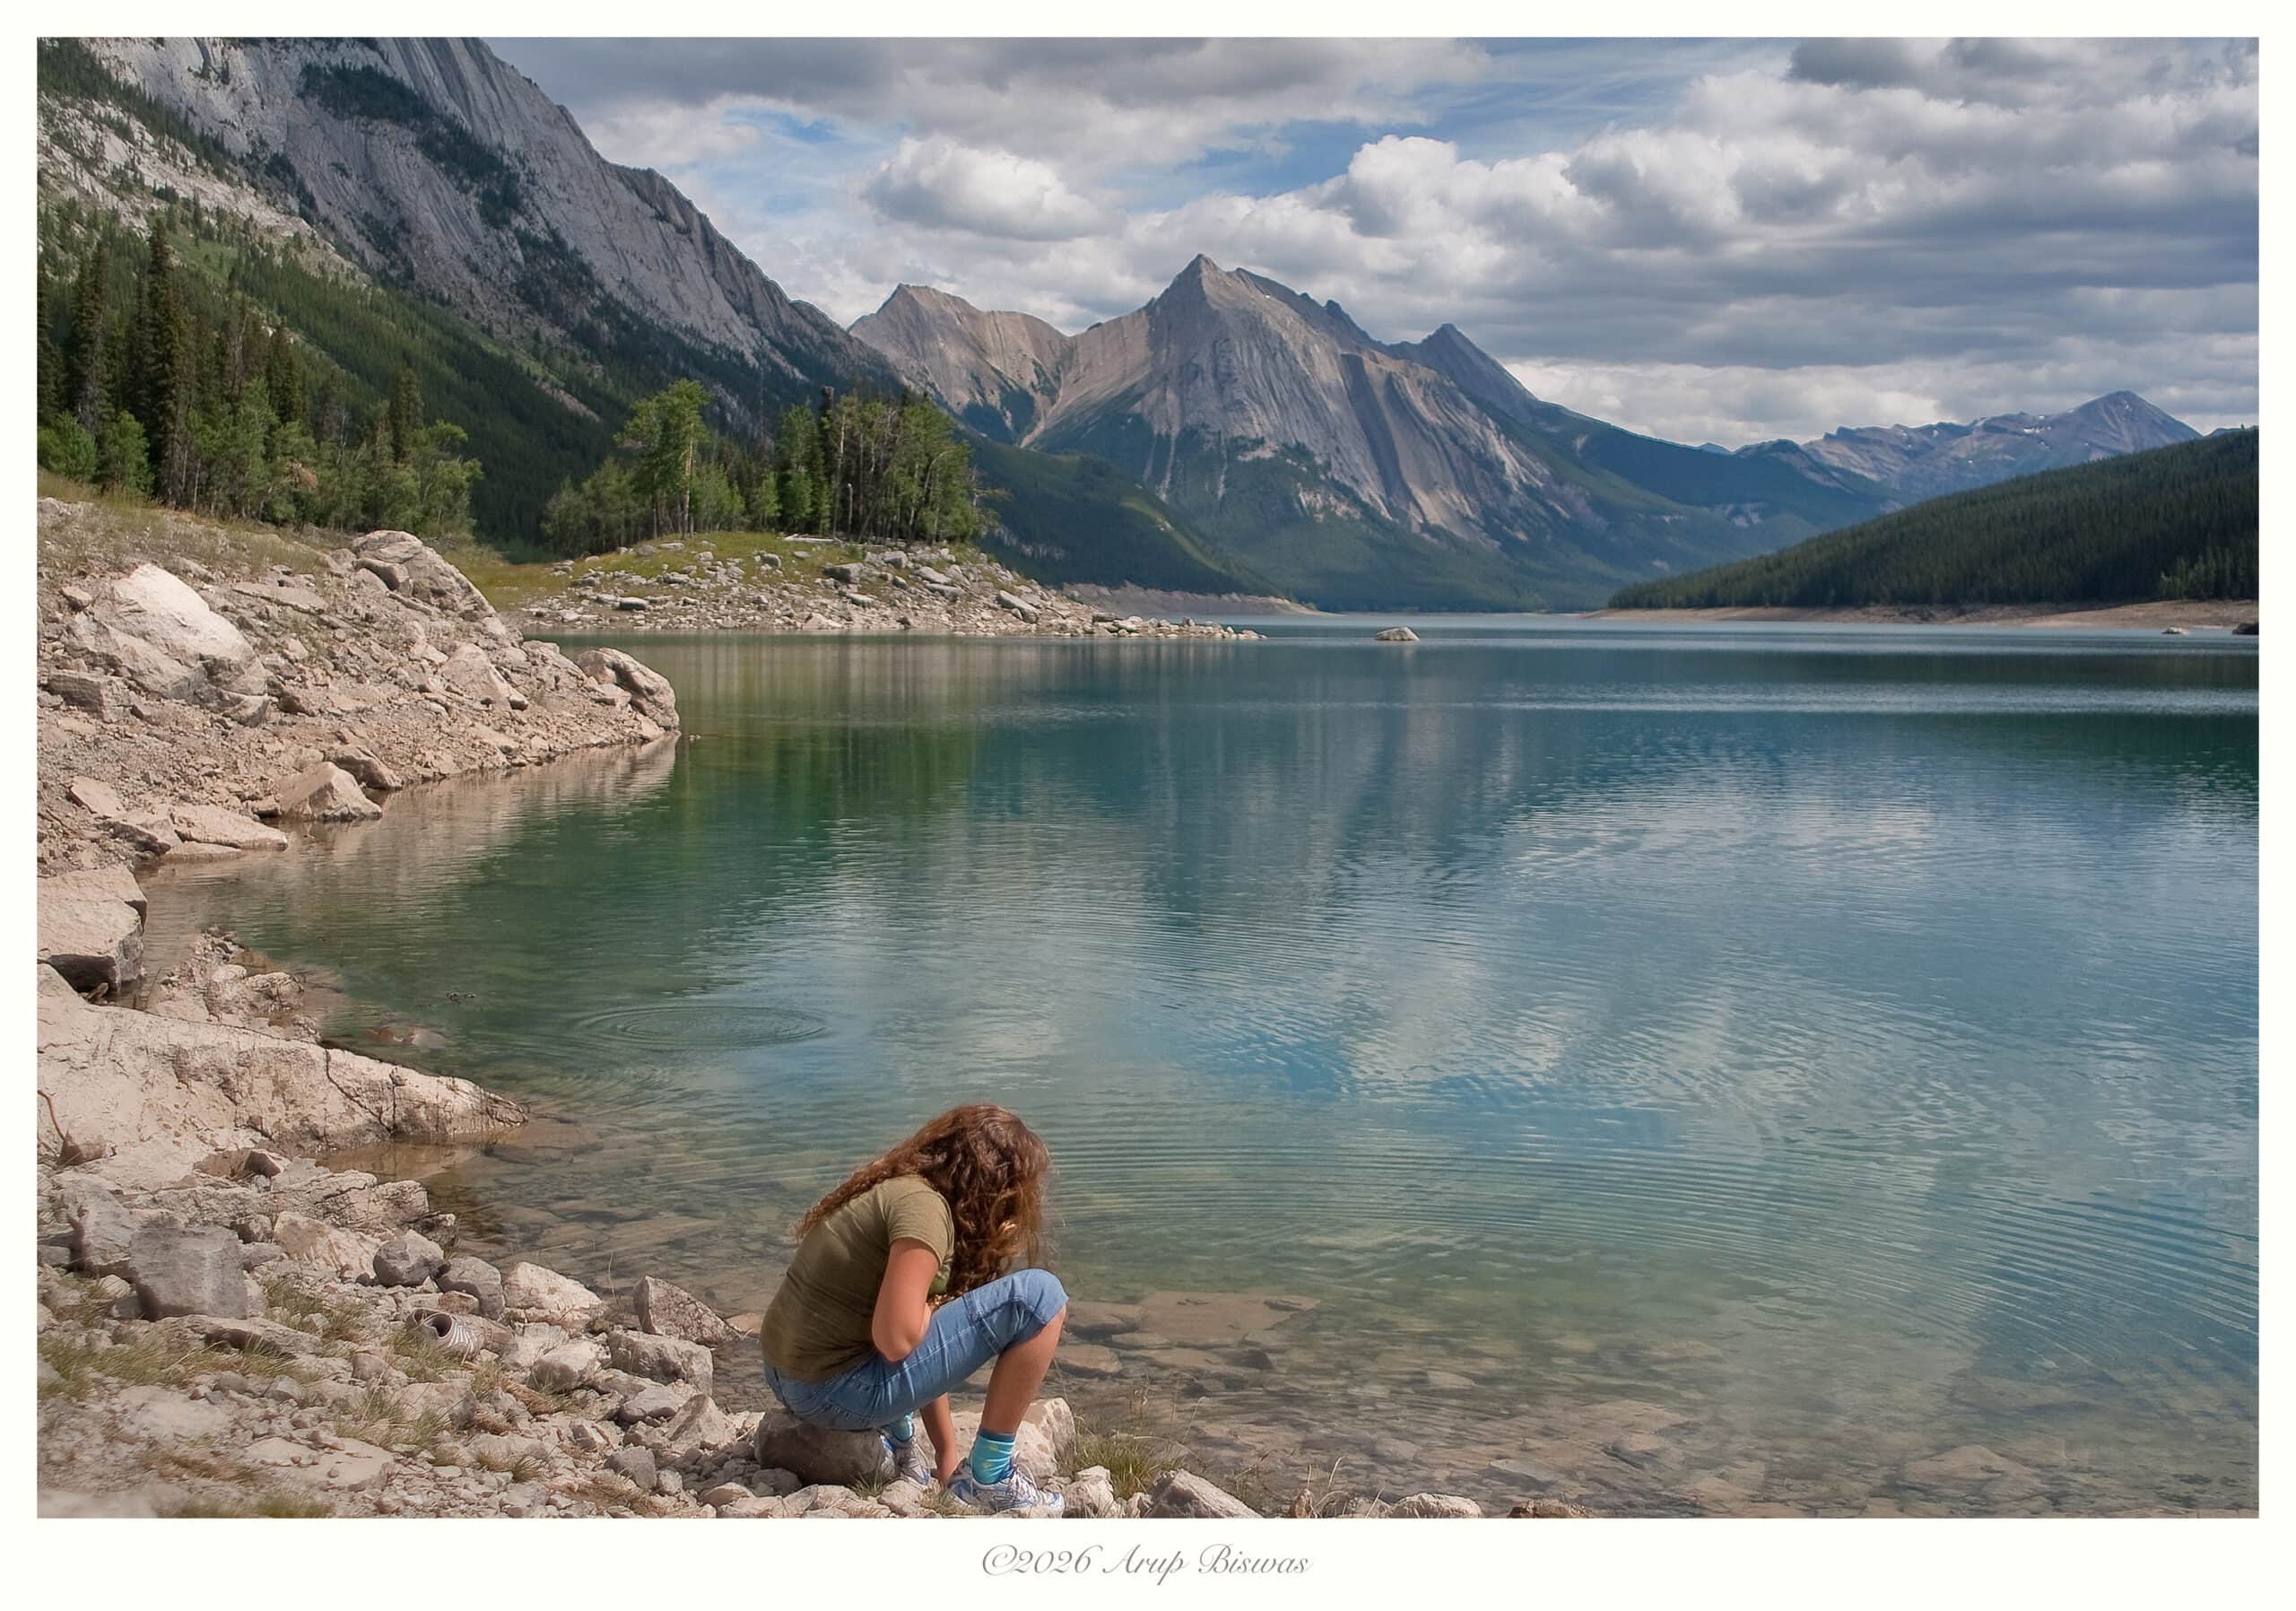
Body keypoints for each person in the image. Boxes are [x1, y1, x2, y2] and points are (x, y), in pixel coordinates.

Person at [758, 1103, 1070, 1514]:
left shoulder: (903, 1189)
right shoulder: (926, 1215)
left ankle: (903, 1439)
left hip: (788, 1374)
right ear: (996, 1185)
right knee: (1040, 1296)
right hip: (828, 1393)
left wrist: (945, 1452)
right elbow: (898, 1339)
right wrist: (931, 1308)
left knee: (915, 1311)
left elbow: (926, 1352)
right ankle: (989, 1478)